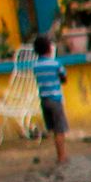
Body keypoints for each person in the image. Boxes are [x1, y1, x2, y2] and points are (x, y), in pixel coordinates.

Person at [29, 33, 69, 164]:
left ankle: (60, 155)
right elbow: (64, 77)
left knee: (53, 129)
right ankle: (62, 157)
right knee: (60, 130)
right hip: (55, 99)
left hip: (44, 100)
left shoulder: (35, 66)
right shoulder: (55, 64)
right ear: (49, 48)